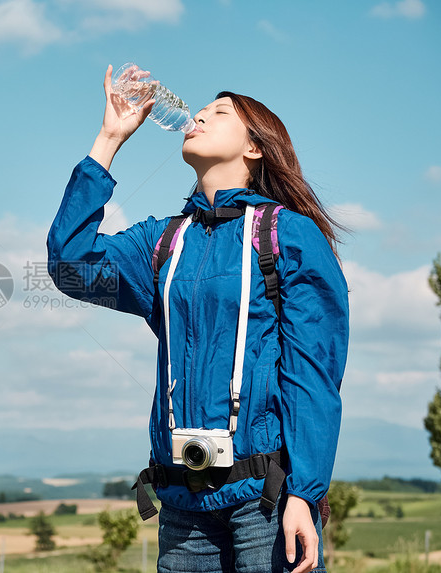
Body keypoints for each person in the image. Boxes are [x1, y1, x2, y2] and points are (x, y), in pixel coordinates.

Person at [47, 65, 349, 573]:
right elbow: (70, 265)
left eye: (221, 112)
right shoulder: (161, 244)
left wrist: (305, 492)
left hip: (267, 504)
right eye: (202, 110)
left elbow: (313, 374)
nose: (201, 115)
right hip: (183, 509)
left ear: (255, 147)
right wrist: (109, 139)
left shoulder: (287, 236)